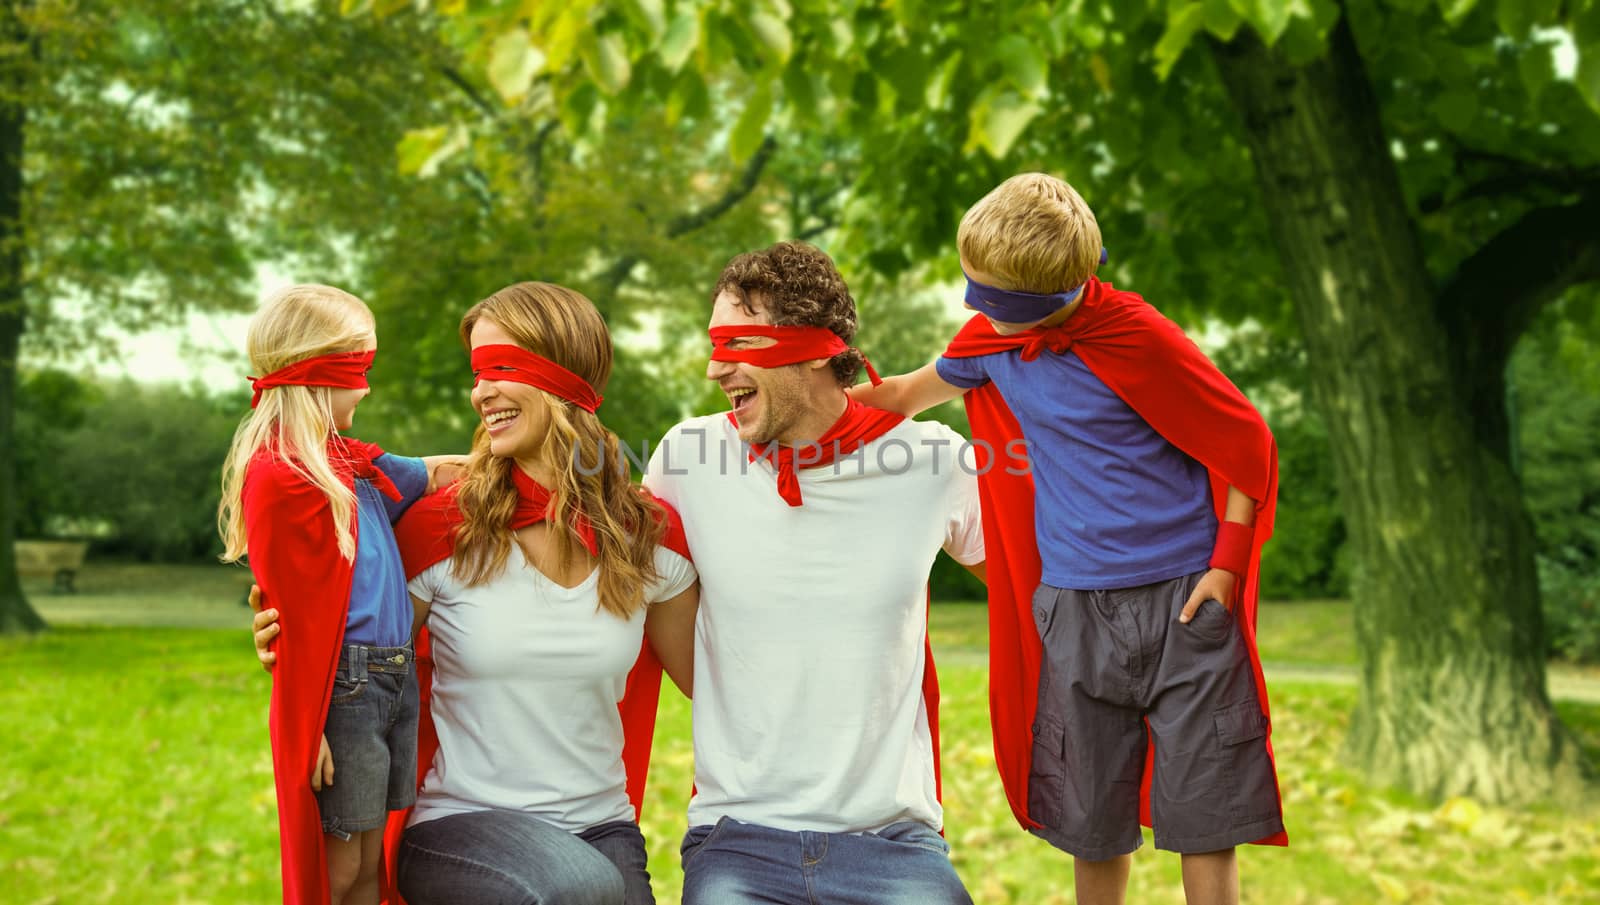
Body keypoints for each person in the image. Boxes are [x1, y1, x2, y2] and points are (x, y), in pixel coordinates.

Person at [849, 173, 1286, 905]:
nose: (975, 310)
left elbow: (1245, 441)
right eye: (973, 291)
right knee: (1090, 817)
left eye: (996, 302)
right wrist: (817, 388)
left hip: (1185, 600)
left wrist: (1228, 567)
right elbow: (900, 394)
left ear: (1060, 293)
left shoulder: (1137, 337)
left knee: (1205, 813)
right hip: (1077, 608)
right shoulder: (990, 341)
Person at [254, 281, 698, 905]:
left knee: (592, 887)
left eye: (502, 369)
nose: (481, 391)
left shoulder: (646, 536)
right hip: (457, 827)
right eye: (477, 373)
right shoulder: (438, 528)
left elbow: (716, 683)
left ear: (566, 382)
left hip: (602, 829)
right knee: (577, 890)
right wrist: (293, 643)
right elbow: (353, 639)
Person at [643, 240, 988, 905]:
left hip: (893, 839)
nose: (716, 368)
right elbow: (649, 594)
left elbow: (1038, 590)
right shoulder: (687, 458)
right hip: (736, 835)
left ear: (811, 350)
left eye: (739, 344)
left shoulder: (933, 460)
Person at [219, 284, 459, 905]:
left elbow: (434, 473)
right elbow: (292, 613)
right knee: (341, 872)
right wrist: (312, 724)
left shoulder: (350, 463)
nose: (369, 387)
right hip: (346, 693)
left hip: (393, 677)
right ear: (324, 373)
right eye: (362, 369)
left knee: (377, 864)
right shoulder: (282, 475)